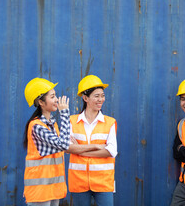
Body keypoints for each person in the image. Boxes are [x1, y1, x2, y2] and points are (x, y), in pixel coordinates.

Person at [66, 75, 117, 206]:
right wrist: (97, 146)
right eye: (96, 96)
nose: (101, 99)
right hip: (79, 181)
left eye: (102, 95)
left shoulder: (110, 122)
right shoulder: (72, 121)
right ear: (85, 98)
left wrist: (80, 150)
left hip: (103, 182)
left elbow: (111, 151)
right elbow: (67, 147)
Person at [23, 78, 71, 206]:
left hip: (53, 189)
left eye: (56, 96)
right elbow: (64, 144)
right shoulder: (36, 126)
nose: (57, 100)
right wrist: (65, 113)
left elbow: (64, 143)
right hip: (40, 191)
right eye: (52, 96)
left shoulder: (52, 124)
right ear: (41, 102)